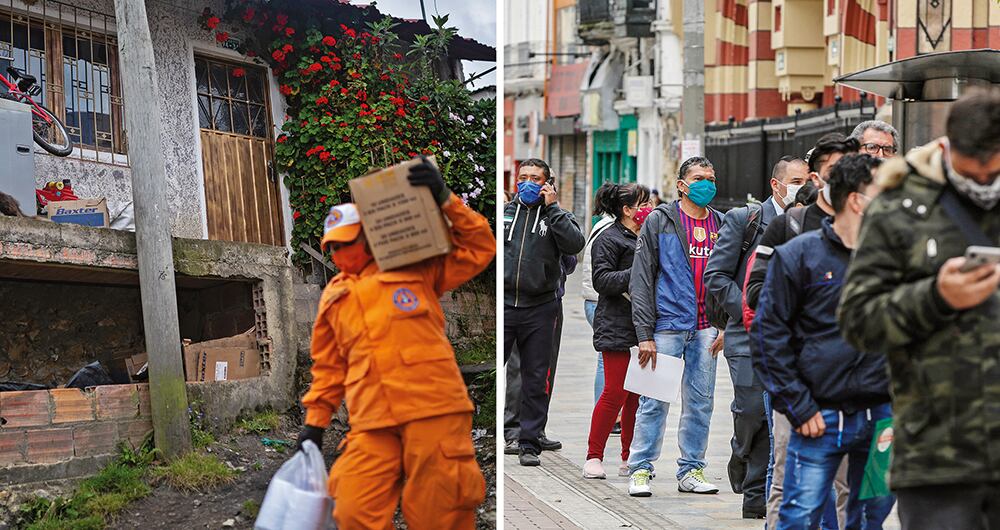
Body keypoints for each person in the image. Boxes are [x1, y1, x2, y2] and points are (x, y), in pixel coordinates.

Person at [296, 158, 495, 529]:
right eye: (332, 247)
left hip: (433, 410)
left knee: (441, 513)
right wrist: (315, 424)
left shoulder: (414, 268)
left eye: (347, 243)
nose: (339, 254)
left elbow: (480, 248)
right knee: (351, 508)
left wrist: (445, 199)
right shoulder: (334, 297)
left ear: (369, 236)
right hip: (371, 421)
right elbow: (328, 367)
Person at [839, 87, 1000, 530]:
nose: (985, 183)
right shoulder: (899, 207)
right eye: (973, 173)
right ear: (947, 149)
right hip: (937, 455)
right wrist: (935, 297)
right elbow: (858, 320)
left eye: (996, 171)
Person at [754, 154, 895, 529]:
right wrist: (799, 406)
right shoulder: (799, 256)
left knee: (872, 517)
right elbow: (769, 338)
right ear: (856, 200)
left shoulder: (894, 259)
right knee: (800, 516)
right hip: (818, 417)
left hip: (883, 419)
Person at [744, 134, 859, 529]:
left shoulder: (873, 233)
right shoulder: (788, 227)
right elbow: (757, 295)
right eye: (835, 172)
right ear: (817, 177)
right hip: (800, 387)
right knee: (790, 484)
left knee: (854, 491)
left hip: (856, 392)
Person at [704, 155, 808, 518]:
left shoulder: (808, 221)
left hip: (791, 336)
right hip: (748, 335)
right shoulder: (744, 219)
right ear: (776, 185)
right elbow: (716, 275)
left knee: (776, 412)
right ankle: (742, 449)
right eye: (796, 179)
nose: (802, 185)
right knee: (751, 411)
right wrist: (751, 311)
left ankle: (754, 496)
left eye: (806, 178)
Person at [627, 156, 725, 497]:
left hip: (706, 329)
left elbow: (727, 278)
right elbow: (641, 279)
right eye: (699, 178)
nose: (707, 184)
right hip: (666, 326)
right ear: (681, 185)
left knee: (701, 402)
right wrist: (644, 334)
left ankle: (692, 469)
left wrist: (723, 324)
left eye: (711, 178)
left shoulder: (722, 224)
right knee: (653, 400)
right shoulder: (660, 221)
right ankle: (640, 468)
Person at [504, 158, 586, 467]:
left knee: (537, 376)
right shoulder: (505, 214)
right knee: (510, 372)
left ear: (547, 184)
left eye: (535, 178)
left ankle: (529, 441)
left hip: (541, 307)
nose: (527, 182)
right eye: (523, 177)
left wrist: (552, 209)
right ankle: (510, 430)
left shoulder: (557, 216)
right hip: (507, 305)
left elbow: (574, 245)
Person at [583, 183, 652, 480]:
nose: (648, 208)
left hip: (644, 325)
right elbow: (602, 280)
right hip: (616, 323)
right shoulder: (609, 238)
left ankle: (629, 457)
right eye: (643, 203)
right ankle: (593, 456)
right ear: (627, 210)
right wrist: (638, 267)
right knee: (615, 392)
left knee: (638, 396)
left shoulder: (648, 236)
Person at [503, 253, 576, 454]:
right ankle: (514, 431)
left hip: (550, 300)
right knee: (519, 366)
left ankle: (535, 430)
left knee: (545, 367)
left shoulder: (559, 220)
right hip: (518, 300)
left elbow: (571, 261)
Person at [583, 184, 619, 404]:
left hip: (593, 301)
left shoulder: (600, 225)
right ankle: (607, 411)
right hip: (600, 302)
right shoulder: (609, 229)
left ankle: (609, 411)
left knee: (606, 358)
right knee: (606, 360)